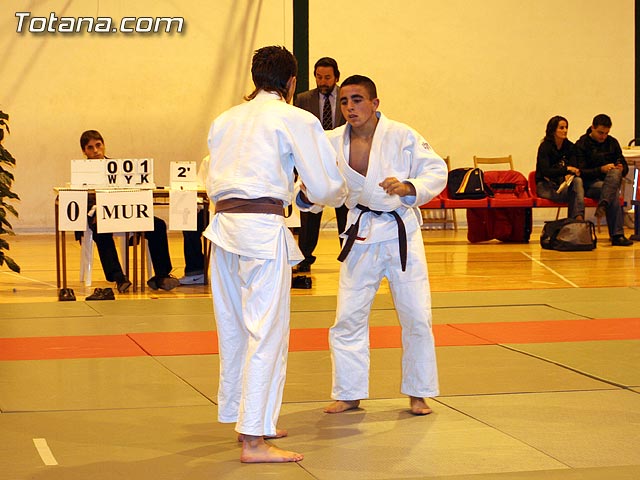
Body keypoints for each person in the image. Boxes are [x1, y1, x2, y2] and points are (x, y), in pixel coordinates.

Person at [203, 45, 346, 463]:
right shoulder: (295, 117)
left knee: (233, 329)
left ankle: (250, 418)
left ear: (254, 77)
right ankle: (254, 440)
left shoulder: (224, 119)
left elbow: (211, 173)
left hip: (223, 229)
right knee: (266, 331)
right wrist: (314, 198)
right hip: (262, 231)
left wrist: (296, 195)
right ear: (291, 82)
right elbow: (322, 184)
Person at [322, 75, 446, 416]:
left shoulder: (402, 135)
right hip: (360, 233)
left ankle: (419, 392)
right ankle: (348, 392)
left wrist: (409, 186)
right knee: (348, 317)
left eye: (358, 99)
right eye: (345, 101)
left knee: (416, 315)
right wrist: (308, 195)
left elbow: (436, 171)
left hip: (400, 233)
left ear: (375, 103)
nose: (350, 107)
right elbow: (319, 182)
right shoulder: (331, 140)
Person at [79, 130, 180, 292]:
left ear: (104, 145)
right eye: (90, 148)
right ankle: (119, 277)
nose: (96, 151)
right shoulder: (81, 172)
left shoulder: (119, 168)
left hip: (127, 211)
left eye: (98, 145)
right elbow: (83, 200)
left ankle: (162, 275)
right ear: (84, 151)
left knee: (159, 225)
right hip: (101, 215)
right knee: (100, 230)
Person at [293, 57, 348, 272]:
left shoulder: (347, 97)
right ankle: (304, 257)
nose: (322, 81)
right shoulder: (303, 99)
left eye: (327, 77)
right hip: (313, 162)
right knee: (309, 214)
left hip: (341, 163)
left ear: (336, 77)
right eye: (318, 77)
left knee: (345, 211)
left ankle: (348, 255)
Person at [574, 114, 633, 246]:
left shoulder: (612, 142)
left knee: (615, 174)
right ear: (592, 128)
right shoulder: (582, 144)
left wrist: (621, 168)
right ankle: (617, 235)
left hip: (608, 182)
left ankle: (604, 203)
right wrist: (601, 169)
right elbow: (580, 172)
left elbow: (623, 165)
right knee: (613, 193)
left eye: (606, 133)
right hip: (589, 184)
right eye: (600, 133)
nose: (603, 136)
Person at [535, 115, 585, 220]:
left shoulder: (570, 146)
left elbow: (575, 166)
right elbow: (545, 171)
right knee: (575, 195)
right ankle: (576, 221)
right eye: (561, 128)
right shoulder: (545, 147)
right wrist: (566, 170)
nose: (565, 130)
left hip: (563, 185)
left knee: (577, 181)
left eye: (566, 127)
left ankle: (577, 219)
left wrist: (570, 173)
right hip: (546, 185)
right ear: (553, 130)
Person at [179, 156, 209, 285]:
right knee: (190, 225)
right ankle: (196, 271)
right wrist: (197, 205)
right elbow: (200, 187)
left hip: (236, 211)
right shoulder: (209, 160)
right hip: (211, 209)